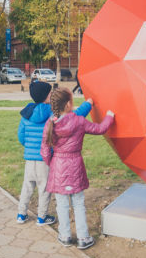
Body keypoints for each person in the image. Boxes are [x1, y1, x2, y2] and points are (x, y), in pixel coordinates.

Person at [40, 87, 114, 249]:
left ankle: (65, 236)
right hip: (75, 165)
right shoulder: (79, 121)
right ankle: (83, 238)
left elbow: (44, 149)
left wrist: (52, 163)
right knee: (78, 203)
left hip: (58, 166)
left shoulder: (50, 123)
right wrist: (109, 117)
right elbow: (100, 129)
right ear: (68, 104)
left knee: (61, 204)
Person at [17, 81, 92, 225]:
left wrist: (30, 148)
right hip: (44, 160)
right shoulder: (53, 112)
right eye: (50, 93)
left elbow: (21, 136)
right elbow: (75, 116)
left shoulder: (26, 113)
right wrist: (88, 104)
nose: (52, 94)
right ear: (46, 97)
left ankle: (21, 214)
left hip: (29, 159)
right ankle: (42, 217)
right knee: (44, 188)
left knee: (27, 186)